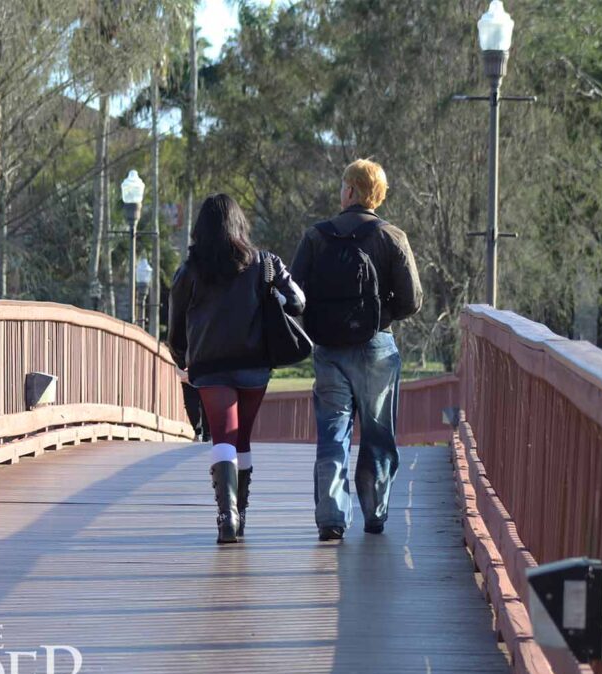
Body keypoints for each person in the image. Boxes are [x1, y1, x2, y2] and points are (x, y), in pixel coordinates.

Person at [290, 159, 422, 541]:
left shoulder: (316, 237)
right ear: (377, 197)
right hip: (376, 349)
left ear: (349, 191)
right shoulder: (391, 236)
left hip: (329, 350)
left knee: (333, 433)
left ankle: (331, 517)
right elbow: (413, 301)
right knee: (378, 434)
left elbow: (295, 294)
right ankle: (375, 513)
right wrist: (379, 315)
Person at [169, 193, 305, 543]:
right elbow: (298, 301)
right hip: (254, 366)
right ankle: (240, 513)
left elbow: (175, 327)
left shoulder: (190, 271)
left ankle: (226, 515)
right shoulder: (264, 262)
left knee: (223, 436)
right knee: (241, 438)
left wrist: (182, 360)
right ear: (240, 225)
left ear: (201, 229)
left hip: (210, 367)